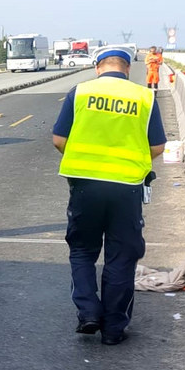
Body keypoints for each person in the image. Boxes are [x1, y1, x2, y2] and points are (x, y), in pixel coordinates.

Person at [52, 46, 166, 345]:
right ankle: (114, 330)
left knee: (82, 250)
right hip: (127, 188)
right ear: (127, 69)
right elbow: (157, 147)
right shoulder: (144, 97)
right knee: (122, 256)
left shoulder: (80, 92)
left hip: (85, 186)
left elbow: (59, 140)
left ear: (97, 67)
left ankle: (88, 313)